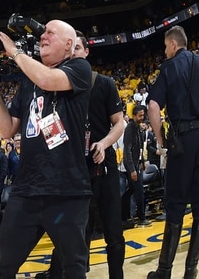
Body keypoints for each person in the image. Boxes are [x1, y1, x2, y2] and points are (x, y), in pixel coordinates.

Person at [0, 19, 92, 278]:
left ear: (68, 44)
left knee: (73, 268)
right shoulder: (29, 81)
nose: (43, 36)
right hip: (27, 190)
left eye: (49, 33)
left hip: (67, 191)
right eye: (42, 33)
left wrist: (15, 53)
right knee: (4, 267)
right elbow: (7, 130)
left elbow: (49, 79)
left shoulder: (80, 67)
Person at [37, 31, 126, 279]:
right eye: (70, 49)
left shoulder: (105, 83)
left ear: (86, 52)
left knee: (113, 233)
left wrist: (105, 143)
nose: (74, 53)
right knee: (70, 234)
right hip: (73, 172)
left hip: (103, 167)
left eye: (78, 48)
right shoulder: (58, 87)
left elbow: (119, 123)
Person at [146, 25, 199, 279]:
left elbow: (154, 106)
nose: (165, 52)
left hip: (183, 142)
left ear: (173, 45)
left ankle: (164, 271)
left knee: (176, 203)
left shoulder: (168, 68)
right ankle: (191, 270)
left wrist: (160, 141)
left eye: (165, 47)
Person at [122, 105, 151, 226]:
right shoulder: (130, 128)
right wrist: (132, 169)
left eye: (143, 115)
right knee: (139, 190)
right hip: (131, 165)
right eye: (140, 115)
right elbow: (127, 150)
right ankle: (141, 217)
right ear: (134, 115)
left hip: (137, 163)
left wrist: (143, 161)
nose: (142, 117)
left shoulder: (139, 128)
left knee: (132, 190)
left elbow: (139, 147)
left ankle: (123, 215)